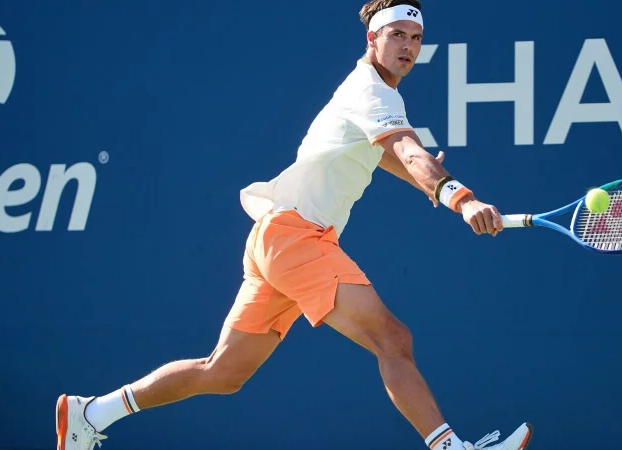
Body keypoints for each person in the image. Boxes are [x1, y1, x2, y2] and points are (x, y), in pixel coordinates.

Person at [55, 1, 534, 449]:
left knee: (223, 372)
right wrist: (460, 198)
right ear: (372, 38)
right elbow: (408, 152)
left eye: (415, 38)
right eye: (396, 35)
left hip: (276, 236)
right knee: (392, 339)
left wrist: (430, 182)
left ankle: (91, 414)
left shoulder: (372, 96)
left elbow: (395, 158)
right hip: (295, 236)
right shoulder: (370, 91)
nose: (408, 47)